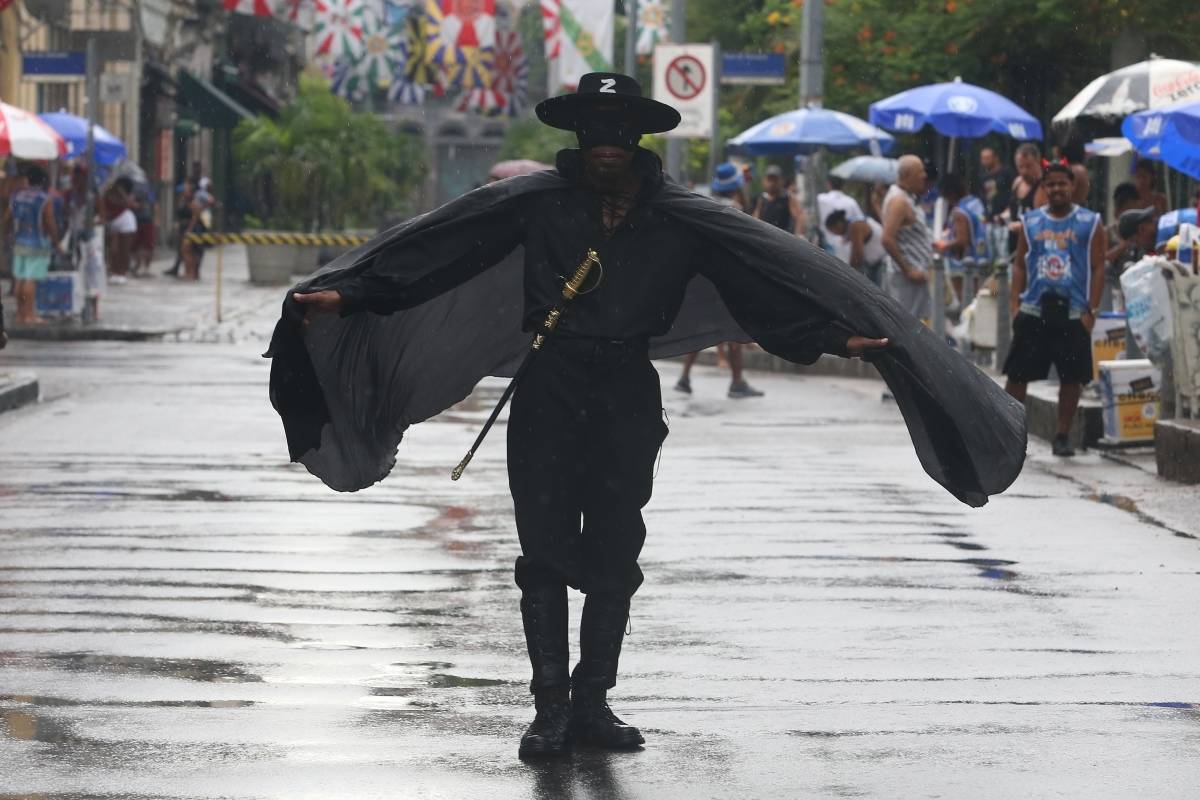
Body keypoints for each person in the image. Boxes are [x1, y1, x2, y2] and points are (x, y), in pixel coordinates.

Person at [271, 72, 1026, 760]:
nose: (606, 142)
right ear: (578, 135)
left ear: (637, 137)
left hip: (626, 392)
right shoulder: (534, 202)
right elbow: (440, 252)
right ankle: (549, 709)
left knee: (615, 549)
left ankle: (593, 703)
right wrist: (350, 293)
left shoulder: (682, 220)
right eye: (594, 129)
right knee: (542, 551)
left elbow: (762, 285)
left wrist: (836, 336)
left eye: (619, 130)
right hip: (549, 386)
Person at [1003, 161, 1106, 457]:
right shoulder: (1031, 221)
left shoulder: (1090, 222)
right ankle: (1010, 434)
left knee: (1071, 378)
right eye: (1051, 184)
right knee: (1017, 375)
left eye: (1062, 183)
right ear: (1044, 188)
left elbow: (1099, 266)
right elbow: (1019, 265)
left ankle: (1062, 435)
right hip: (1034, 309)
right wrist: (1014, 304)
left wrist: (1092, 310)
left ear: (1072, 186)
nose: (1057, 189)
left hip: (1073, 312)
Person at [675, 163, 764, 399]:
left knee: (698, 329)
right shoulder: (735, 210)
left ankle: (685, 377)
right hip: (726, 279)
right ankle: (737, 382)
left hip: (701, 278)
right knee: (734, 330)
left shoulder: (703, 204)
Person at [5, 164, 60, 325]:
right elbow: (49, 223)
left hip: (19, 243)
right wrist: (56, 242)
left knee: (19, 279)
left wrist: (6, 236)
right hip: (37, 244)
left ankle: (20, 314)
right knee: (30, 279)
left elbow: (7, 219)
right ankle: (30, 315)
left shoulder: (17, 197)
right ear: (43, 180)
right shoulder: (43, 199)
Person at [881, 155, 934, 322]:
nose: (924, 176)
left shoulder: (906, 197)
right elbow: (887, 239)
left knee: (916, 323)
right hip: (907, 279)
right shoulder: (899, 201)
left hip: (914, 276)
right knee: (908, 325)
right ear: (906, 176)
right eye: (920, 172)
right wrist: (908, 270)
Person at [934, 172, 988, 308]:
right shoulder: (975, 203)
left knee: (966, 301)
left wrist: (944, 246)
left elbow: (962, 240)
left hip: (963, 264)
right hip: (981, 257)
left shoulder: (959, 212)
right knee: (982, 296)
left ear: (949, 194)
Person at [824, 208, 886, 287]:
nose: (835, 234)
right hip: (876, 263)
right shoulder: (853, 224)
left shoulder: (855, 226)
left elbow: (857, 256)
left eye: (833, 231)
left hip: (881, 263)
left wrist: (849, 275)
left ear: (838, 225)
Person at [1006, 143, 1047, 252]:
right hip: (1015, 244)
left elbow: (1045, 222)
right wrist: (1002, 217)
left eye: (1029, 166)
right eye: (1020, 167)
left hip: (1033, 246)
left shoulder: (1043, 187)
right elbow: (1013, 208)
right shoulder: (1017, 182)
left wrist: (1022, 226)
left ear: (1038, 162)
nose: (1024, 171)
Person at [817, 175, 864, 256]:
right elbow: (861, 221)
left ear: (829, 184)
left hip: (827, 244)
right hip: (847, 246)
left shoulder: (820, 199)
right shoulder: (851, 202)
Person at [102, 176, 137, 284]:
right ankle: (114, 271)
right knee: (114, 249)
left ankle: (122, 272)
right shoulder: (107, 193)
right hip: (112, 222)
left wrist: (121, 193)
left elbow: (129, 204)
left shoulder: (126, 195)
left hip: (125, 220)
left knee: (124, 249)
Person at [752, 165, 794, 233]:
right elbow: (756, 217)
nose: (772, 184)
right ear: (764, 181)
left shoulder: (787, 197)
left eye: (775, 180)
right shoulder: (762, 198)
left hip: (784, 236)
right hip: (766, 235)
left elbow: (799, 217)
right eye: (770, 180)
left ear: (781, 181)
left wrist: (799, 234)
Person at [978, 146, 1011, 222]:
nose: (984, 161)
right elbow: (982, 196)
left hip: (1004, 216)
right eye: (983, 158)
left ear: (996, 158)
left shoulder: (1006, 173)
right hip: (989, 217)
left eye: (987, 158)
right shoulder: (983, 176)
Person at [131, 180, 157, 277]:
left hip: (146, 220)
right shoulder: (131, 189)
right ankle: (138, 266)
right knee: (136, 245)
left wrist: (156, 218)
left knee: (148, 245)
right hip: (137, 220)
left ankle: (145, 267)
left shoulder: (149, 189)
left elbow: (154, 203)